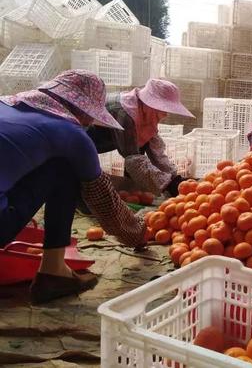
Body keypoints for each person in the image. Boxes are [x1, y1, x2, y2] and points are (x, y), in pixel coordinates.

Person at [0, 70, 148, 304]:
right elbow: (104, 203)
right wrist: (138, 233)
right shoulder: (71, 134)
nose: (89, 123)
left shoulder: (7, 104)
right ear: (81, 109)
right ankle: (54, 271)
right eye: (90, 116)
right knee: (64, 167)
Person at [86, 78, 194, 197]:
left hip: (117, 137)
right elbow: (134, 160)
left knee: (140, 152)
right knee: (87, 193)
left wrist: (174, 177)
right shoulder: (126, 114)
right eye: (164, 109)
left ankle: (131, 191)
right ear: (150, 104)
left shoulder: (144, 111)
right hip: (88, 138)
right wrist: (167, 184)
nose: (166, 114)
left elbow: (155, 148)